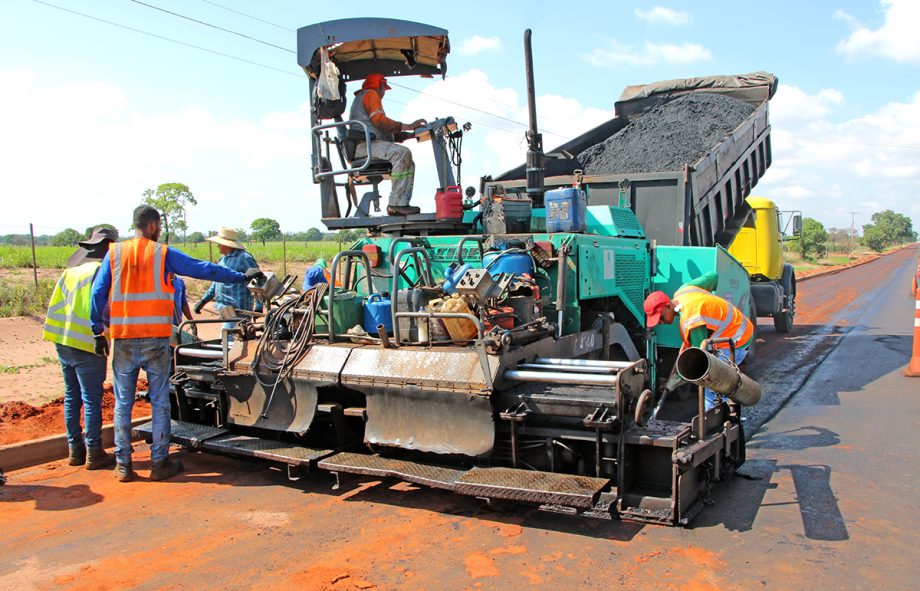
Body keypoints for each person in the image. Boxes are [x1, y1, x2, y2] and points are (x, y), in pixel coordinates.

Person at [90, 205, 263, 482]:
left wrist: (97, 330)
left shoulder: (114, 254)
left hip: (122, 339)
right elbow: (202, 269)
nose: (159, 231)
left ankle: (123, 465)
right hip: (156, 339)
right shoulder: (161, 254)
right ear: (151, 226)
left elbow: (98, 293)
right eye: (158, 226)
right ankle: (160, 462)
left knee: (123, 403)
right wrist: (241, 277)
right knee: (159, 400)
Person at [43, 226, 118, 470]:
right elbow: (104, 308)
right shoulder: (100, 270)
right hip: (87, 341)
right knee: (92, 399)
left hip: (62, 339)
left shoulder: (72, 270)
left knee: (72, 396)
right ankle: (94, 452)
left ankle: (75, 450)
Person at [644, 271, 755, 410]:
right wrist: (709, 305)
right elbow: (714, 276)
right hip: (736, 327)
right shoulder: (683, 291)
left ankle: (717, 424)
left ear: (668, 306)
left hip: (737, 338)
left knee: (713, 387)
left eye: (660, 317)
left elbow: (699, 362)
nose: (660, 322)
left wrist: (676, 381)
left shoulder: (691, 319)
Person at [349, 73, 427, 216]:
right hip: (365, 146)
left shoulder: (366, 97)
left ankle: (401, 202)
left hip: (370, 144)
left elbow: (383, 131)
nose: (384, 92)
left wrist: (410, 135)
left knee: (409, 161)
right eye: (384, 88)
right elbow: (380, 122)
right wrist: (408, 126)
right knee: (402, 153)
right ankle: (396, 204)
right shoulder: (371, 95)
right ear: (380, 85)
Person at [193, 228, 262, 338]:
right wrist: (203, 301)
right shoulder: (223, 260)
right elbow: (216, 283)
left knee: (228, 339)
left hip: (238, 309)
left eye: (219, 243)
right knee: (230, 339)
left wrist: (259, 305)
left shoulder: (244, 258)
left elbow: (258, 280)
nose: (217, 246)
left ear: (227, 244)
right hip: (225, 308)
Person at [171, 275, 197, 344]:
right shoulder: (158, 280)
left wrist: (191, 321)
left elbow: (184, 303)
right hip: (162, 324)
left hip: (177, 324)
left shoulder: (179, 281)